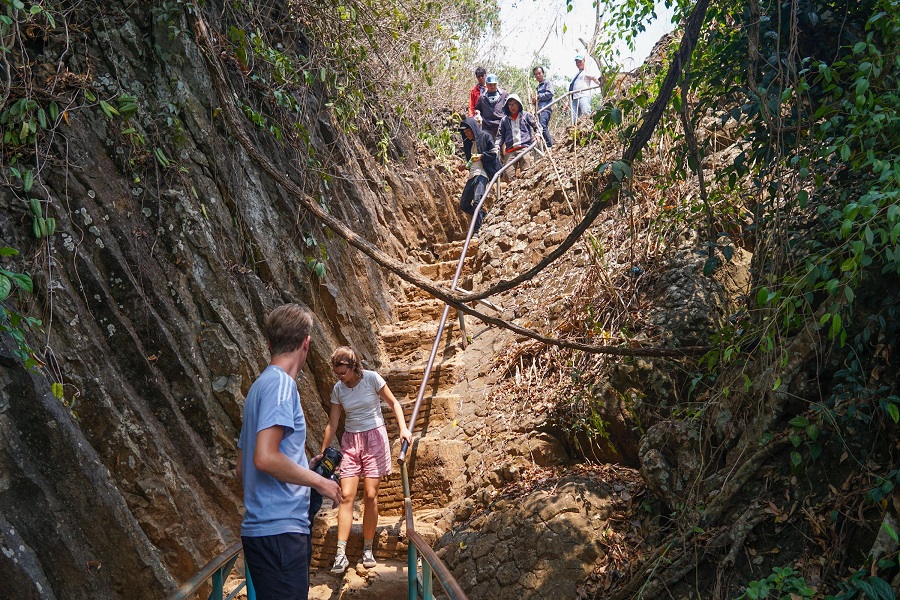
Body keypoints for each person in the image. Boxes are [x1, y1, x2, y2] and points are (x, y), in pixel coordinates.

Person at [238, 304, 343, 600]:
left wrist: (301, 466)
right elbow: (265, 458)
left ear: (270, 343)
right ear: (306, 343)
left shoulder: (258, 389)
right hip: (281, 532)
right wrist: (320, 482)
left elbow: (243, 466)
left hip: (261, 531)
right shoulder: (283, 386)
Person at [322, 347, 412, 574]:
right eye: (336, 373)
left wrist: (403, 429)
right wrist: (324, 451)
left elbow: (394, 404)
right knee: (346, 496)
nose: (339, 377)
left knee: (371, 494)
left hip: (374, 438)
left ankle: (368, 548)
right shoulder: (338, 389)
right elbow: (333, 423)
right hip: (351, 441)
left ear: (353, 367)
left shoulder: (372, 378)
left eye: (343, 372)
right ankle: (340, 554)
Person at [458, 116, 501, 234]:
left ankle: (477, 230)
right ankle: (484, 216)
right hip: (472, 175)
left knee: (478, 201)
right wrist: (464, 166)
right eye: (465, 132)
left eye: (468, 131)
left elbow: (494, 153)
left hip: (482, 174)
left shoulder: (485, 136)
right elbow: (471, 160)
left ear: (474, 129)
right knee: (464, 205)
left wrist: (482, 156)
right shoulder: (467, 143)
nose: (467, 134)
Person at [497, 93, 538, 178]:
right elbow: (500, 136)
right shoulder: (504, 120)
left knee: (527, 173)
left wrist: (538, 134)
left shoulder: (526, 116)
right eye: (510, 105)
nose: (512, 107)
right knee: (509, 175)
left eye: (514, 104)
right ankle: (512, 191)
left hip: (524, 148)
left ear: (519, 104)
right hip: (510, 151)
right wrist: (497, 145)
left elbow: (537, 126)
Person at [474, 73, 508, 140]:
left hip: (501, 125)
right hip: (487, 126)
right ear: (486, 85)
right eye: (490, 85)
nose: (492, 87)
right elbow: (477, 109)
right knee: (487, 145)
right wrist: (477, 113)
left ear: (497, 84)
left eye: (494, 84)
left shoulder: (504, 95)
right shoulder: (482, 97)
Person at [569, 53, 601, 123]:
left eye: (580, 61)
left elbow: (594, 79)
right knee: (573, 118)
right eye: (577, 62)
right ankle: (574, 131)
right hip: (575, 98)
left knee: (587, 113)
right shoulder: (576, 75)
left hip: (583, 96)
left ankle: (590, 127)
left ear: (584, 62)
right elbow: (572, 88)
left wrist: (601, 85)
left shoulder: (587, 71)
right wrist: (568, 102)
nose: (578, 63)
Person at [533, 66, 554, 147]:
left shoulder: (547, 83)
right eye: (536, 74)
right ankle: (546, 145)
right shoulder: (537, 87)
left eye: (539, 73)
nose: (538, 76)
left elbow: (550, 93)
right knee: (539, 127)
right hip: (539, 110)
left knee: (542, 126)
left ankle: (549, 145)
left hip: (546, 108)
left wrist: (538, 97)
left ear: (543, 73)